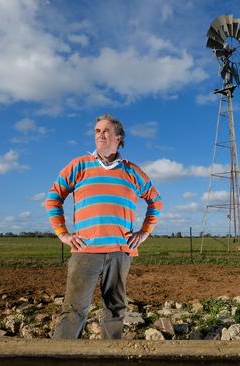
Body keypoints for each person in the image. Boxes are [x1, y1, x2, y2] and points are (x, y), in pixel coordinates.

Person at [45, 113, 162, 339]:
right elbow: (53, 197)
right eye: (97, 131)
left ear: (118, 138)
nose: (100, 135)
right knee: (74, 310)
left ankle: (110, 356)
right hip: (85, 250)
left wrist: (145, 232)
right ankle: (60, 356)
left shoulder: (131, 171)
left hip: (120, 251)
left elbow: (156, 201)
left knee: (115, 309)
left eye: (106, 130)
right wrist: (63, 234)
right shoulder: (79, 165)